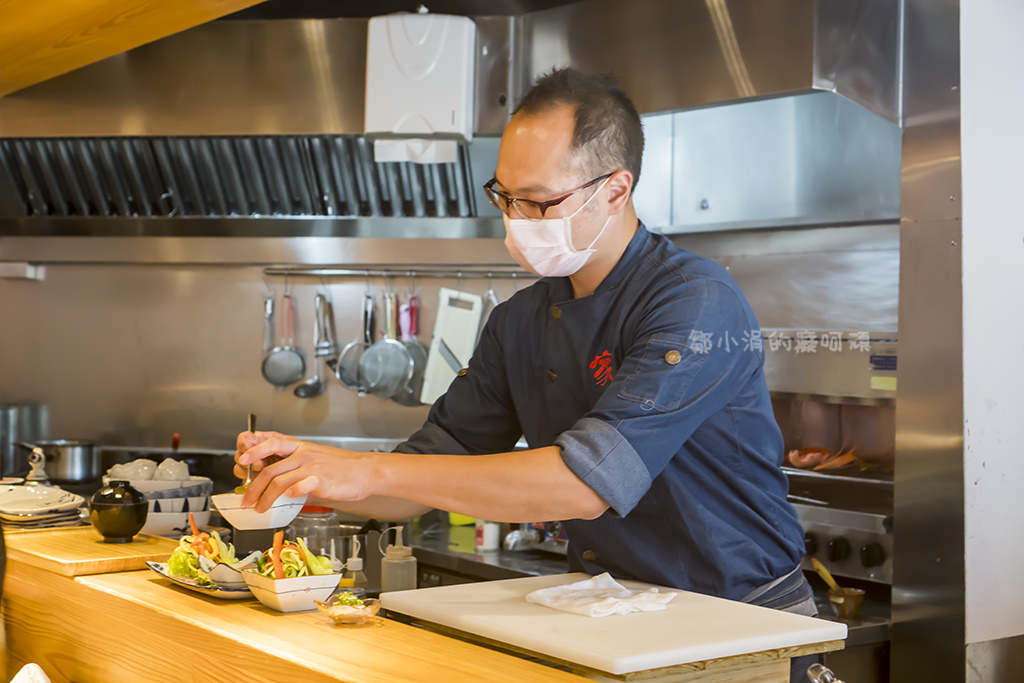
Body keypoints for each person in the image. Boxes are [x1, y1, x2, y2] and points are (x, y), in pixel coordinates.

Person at [236, 68, 814, 681]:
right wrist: (309, 471)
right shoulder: (519, 322)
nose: (517, 219)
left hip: (737, 629)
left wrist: (365, 468)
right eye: (505, 197)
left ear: (616, 189)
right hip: (612, 622)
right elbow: (425, 474)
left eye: (539, 201)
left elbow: (585, 483)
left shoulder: (693, 300)